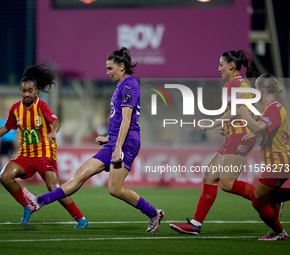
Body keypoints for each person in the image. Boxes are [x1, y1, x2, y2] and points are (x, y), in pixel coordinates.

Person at [24, 47, 165, 232]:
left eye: (110, 68)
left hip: (126, 143)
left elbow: (127, 119)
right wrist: (109, 139)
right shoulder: (121, 85)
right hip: (115, 142)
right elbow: (119, 119)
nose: (107, 72)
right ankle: (39, 201)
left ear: (121, 67)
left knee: (115, 189)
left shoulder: (130, 84)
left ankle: (153, 213)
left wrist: (117, 147)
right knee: (80, 173)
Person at [0, 64, 89, 228]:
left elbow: (56, 121)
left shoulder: (41, 106)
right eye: (24, 91)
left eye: (30, 91)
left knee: (54, 188)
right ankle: (27, 205)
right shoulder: (15, 108)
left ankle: (81, 219)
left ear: (36, 91)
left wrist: (53, 131)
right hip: (25, 156)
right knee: (4, 177)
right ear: (21, 91)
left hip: (44, 154)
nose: (27, 94)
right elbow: (7, 127)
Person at [170, 50, 259, 235]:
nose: (219, 68)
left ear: (231, 66)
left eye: (221, 65)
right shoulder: (243, 84)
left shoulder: (232, 84)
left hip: (239, 138)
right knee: (210, 176)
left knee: (227, 183)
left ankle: (269, 198)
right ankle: (195, 224)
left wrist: (214, 123)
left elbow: (236, 111)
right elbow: (251, 112)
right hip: (237, 135)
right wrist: (227, 126)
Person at [236, 74, 289, 241]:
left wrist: (242, 108)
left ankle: (279, 232)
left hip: (277, 163)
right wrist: (255, 134)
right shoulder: (272, 107)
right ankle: (277, 230)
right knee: (269, 197)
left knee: (258, 202)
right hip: (279, 161)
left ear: (260, 90)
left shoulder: (273, 108)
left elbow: (259, 127)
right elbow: (265, 129)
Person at [0, 110, 17, 184]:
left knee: (10, 160)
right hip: (3, 142)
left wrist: (16, 143)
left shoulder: (13, 121)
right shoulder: (0, 121)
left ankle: (9, 177)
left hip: (10, 142)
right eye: (5, 113)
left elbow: (16, 133)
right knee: (0, 159)